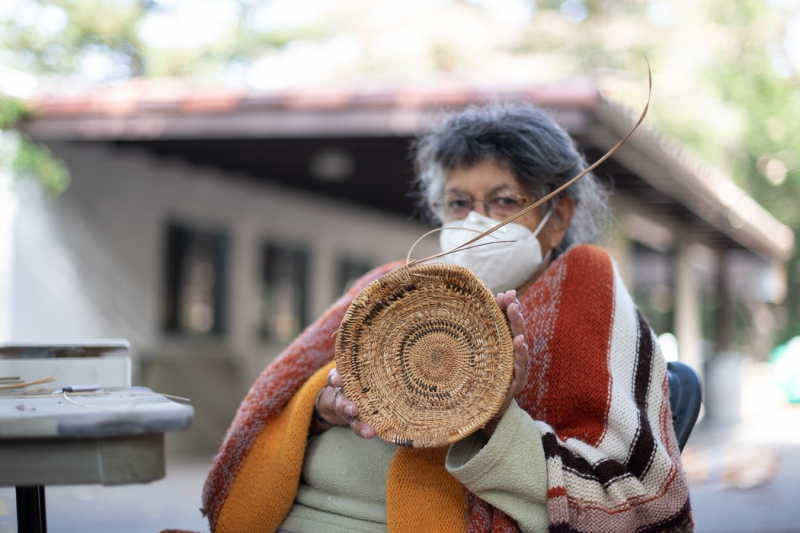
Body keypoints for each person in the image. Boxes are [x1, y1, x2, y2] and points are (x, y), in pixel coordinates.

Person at [193, 103, 693, 533]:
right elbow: (276, 401)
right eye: (458, 203)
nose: (475, 222)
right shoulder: (388, 289)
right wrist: (323, 410)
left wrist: (496, 417)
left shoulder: (586, 294)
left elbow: (633, 497)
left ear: (557, 217)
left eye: (502, 200)